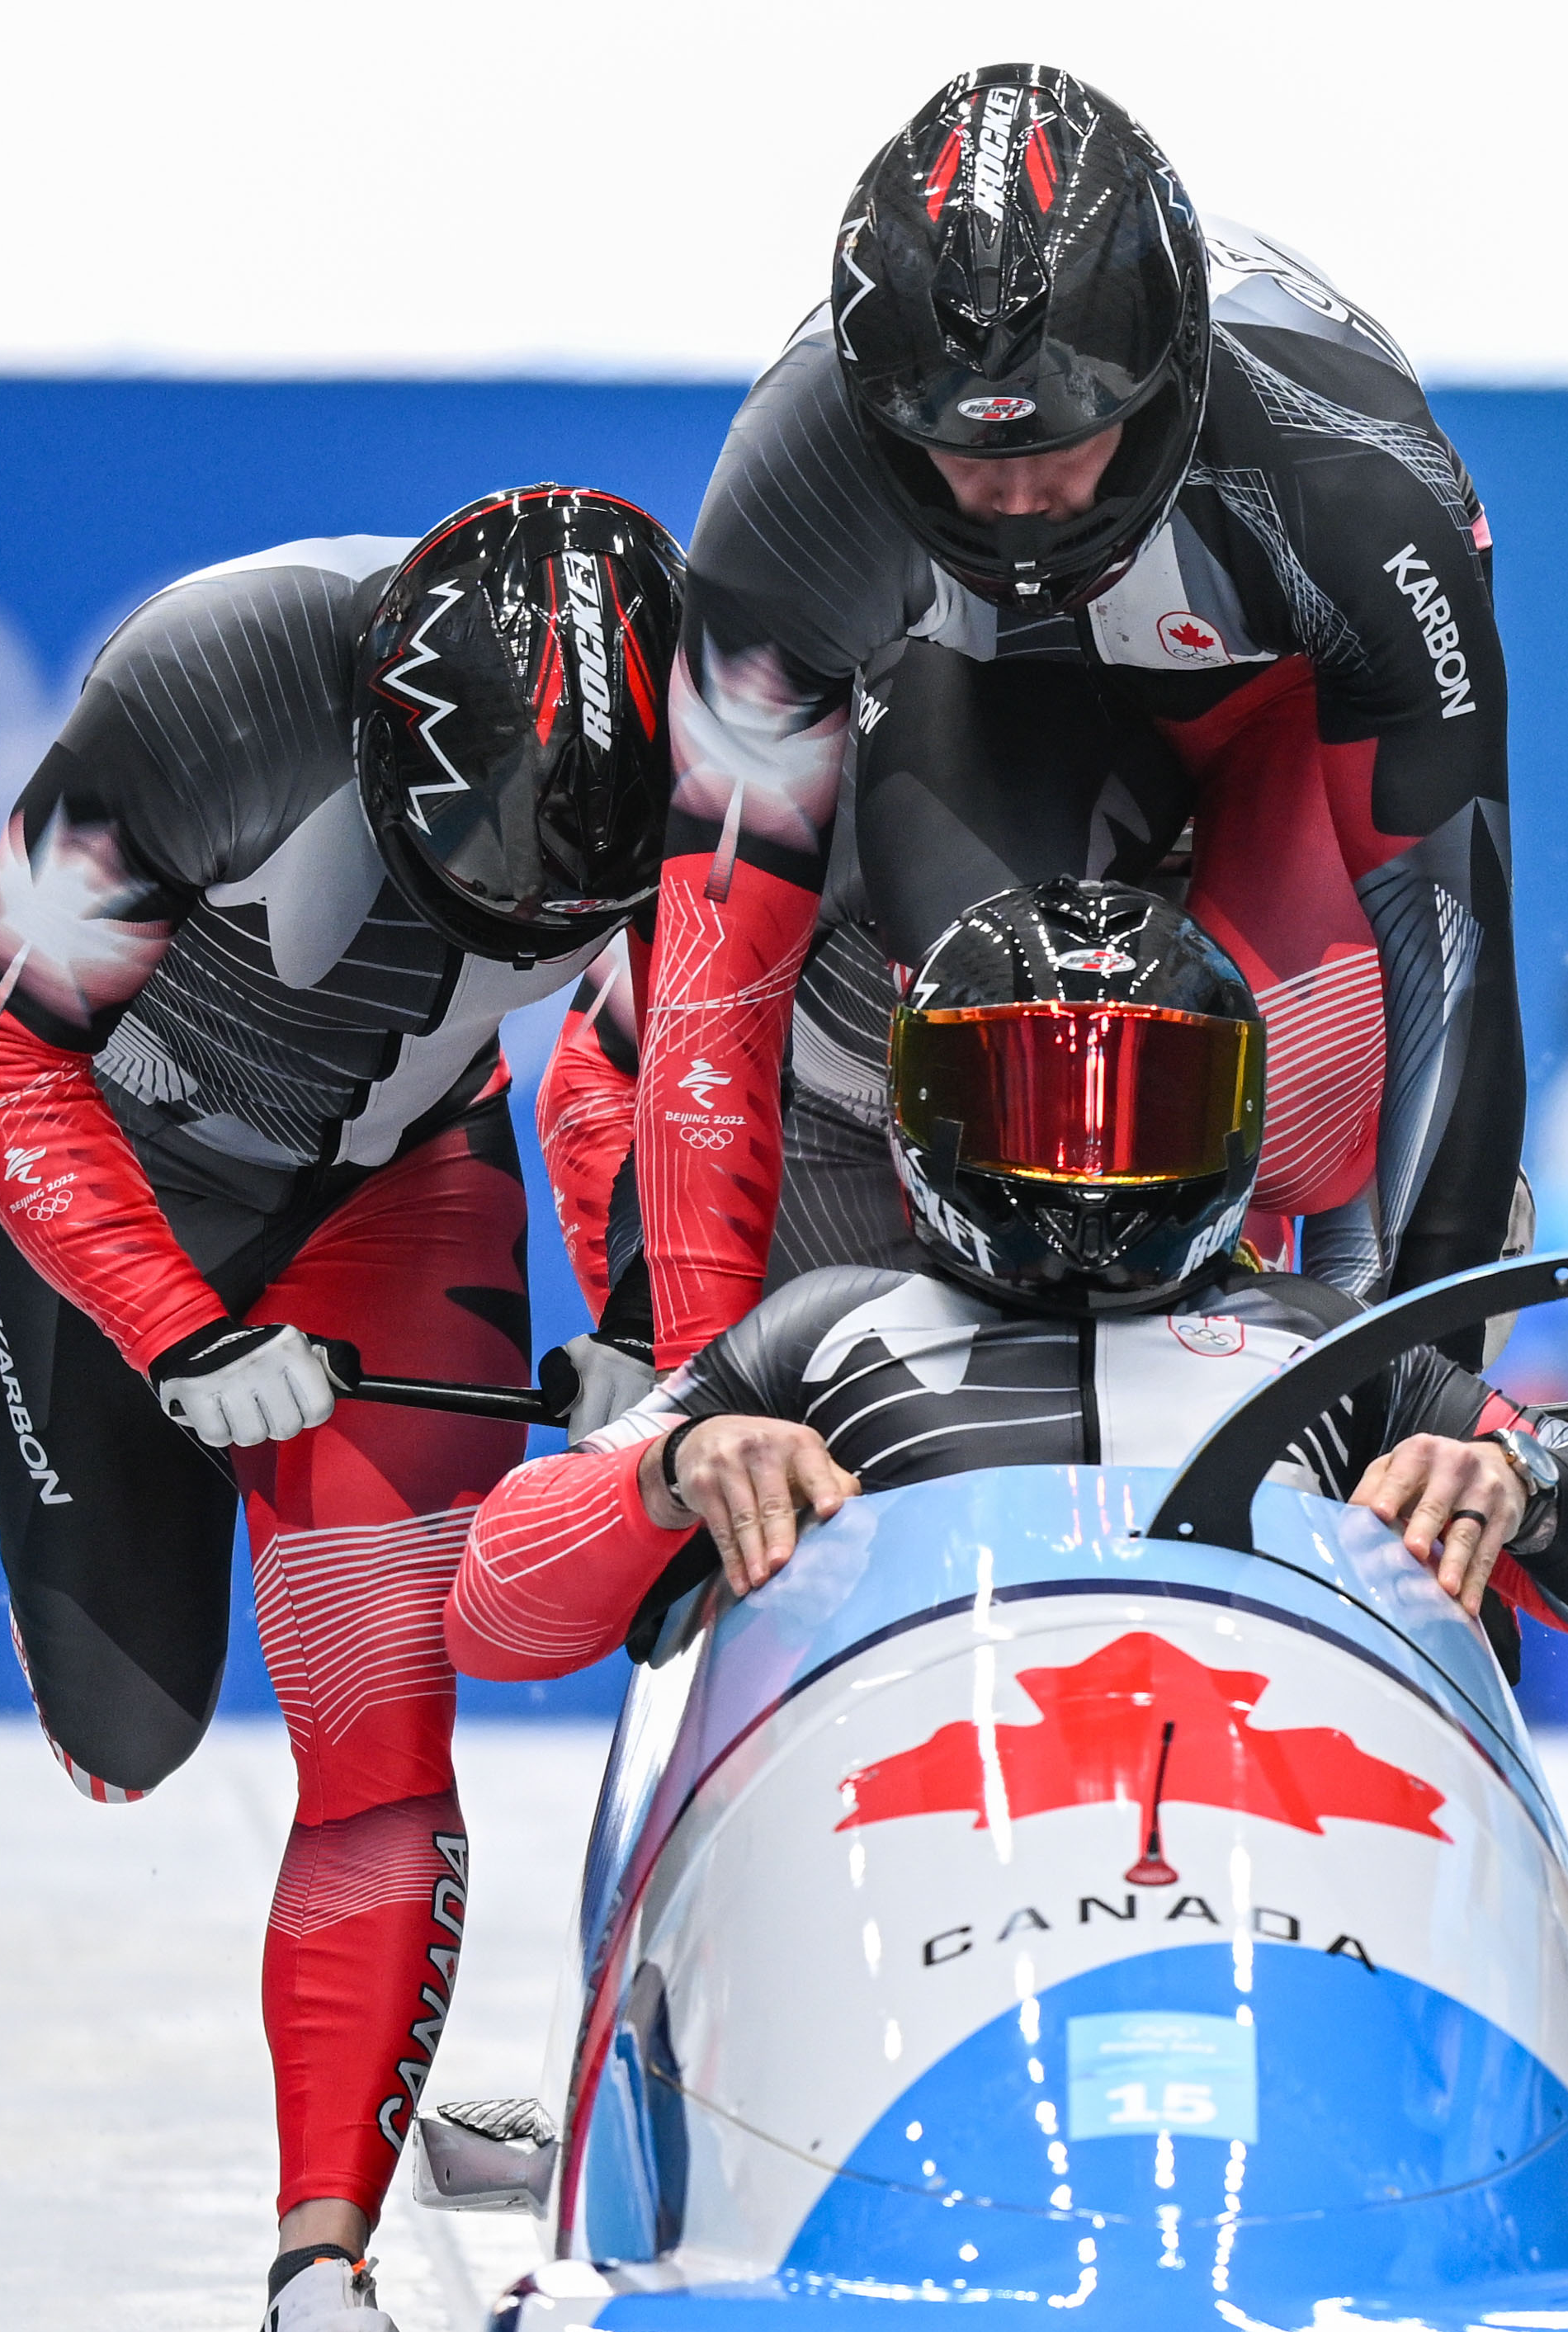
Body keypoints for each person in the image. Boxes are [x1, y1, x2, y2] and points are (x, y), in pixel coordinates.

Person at [0, 487, 684, 2332]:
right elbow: (1, 1058)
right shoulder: (209, 685)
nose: (501, 942)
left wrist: (631, 1302)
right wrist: (171, 1327)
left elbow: (651, 1046)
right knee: (134, 1729)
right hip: (116, 1203)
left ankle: (313, 2273)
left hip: (396, 1192)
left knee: (385, 1701)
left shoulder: (723, 750)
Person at [572, 64, 1518, 1411]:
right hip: (984, 683)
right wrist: (696, 1398)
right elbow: (715, 975)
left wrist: (1431, 1378)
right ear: (878, 417)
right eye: (962, 455)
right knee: (1013, 1066)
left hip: (1277, 712)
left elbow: (1452, 953)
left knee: (1305, 1102)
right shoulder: (795, 477)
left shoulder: (1352, 478)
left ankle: (1317, 1270)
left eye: (1068, 442)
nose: (1018, 500)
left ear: (1169, 380)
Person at [451, 884, 1568, 1687]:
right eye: (1032, 1107)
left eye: (1143, 1108)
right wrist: (666, 1474)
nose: (1088, 1166)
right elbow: (494, 1610)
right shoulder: (821, 1333)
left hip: (1274, 1818)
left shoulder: (1332, 1348)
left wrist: (1520, 1477)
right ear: (928, 1116)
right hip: (900, 1822)